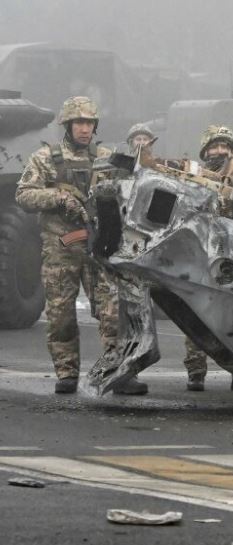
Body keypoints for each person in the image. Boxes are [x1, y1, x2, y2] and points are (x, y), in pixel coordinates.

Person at [15, 96, 146, 395]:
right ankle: (66, 372)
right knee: (61, 316)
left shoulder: (106, 157)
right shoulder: (47, 158)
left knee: (113, 314)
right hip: (61, 249)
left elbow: (133, 189)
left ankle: (120, 373)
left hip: (99, 247)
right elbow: (24, 195)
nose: (84, 129)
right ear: (68, 125)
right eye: (79, 123)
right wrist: (59, 198)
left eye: (89, 123)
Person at [182, 125, 233, 393]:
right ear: (205, 151)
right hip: (201, 253)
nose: (219, 151)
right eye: (214, 146)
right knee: (196, 311)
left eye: (225, 146)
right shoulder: (190, 177)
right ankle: (196, 372)